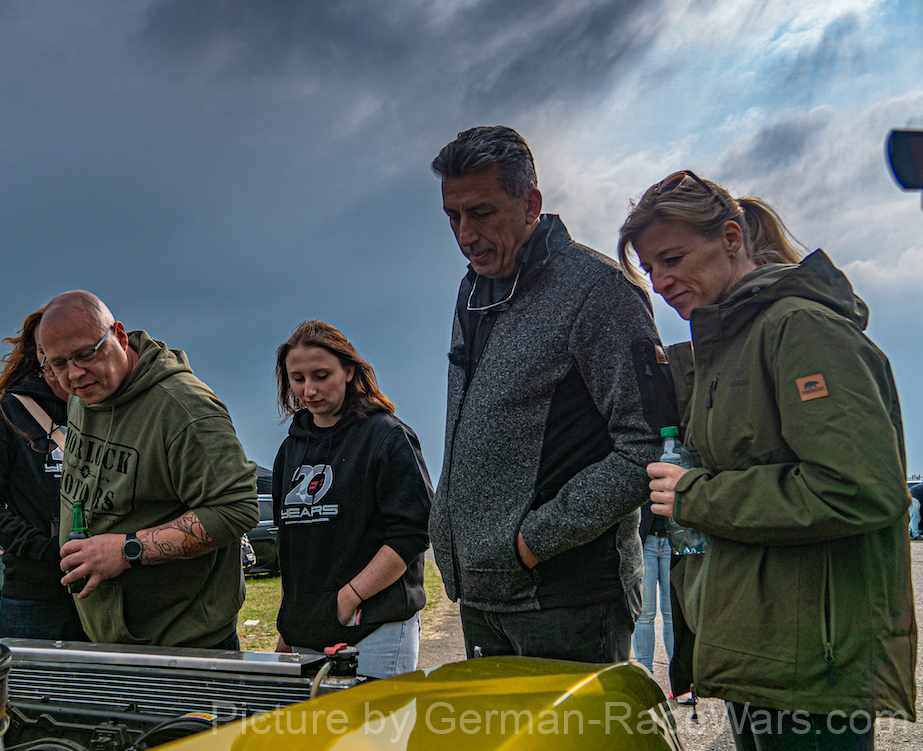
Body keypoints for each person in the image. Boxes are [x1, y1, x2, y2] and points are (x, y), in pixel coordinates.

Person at [622, 170, 916, 749]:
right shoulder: (732, 341)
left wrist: (694, 495)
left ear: (731, 238)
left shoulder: (802, 329)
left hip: (810, 667)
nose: (660, 281)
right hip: (762, 653)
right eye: (650, 268)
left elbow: (858, 488)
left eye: (673, 259)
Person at [427, 127, 668, 664]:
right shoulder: (473, 287)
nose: (465, 234)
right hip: (483, 594)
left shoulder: (600, 289)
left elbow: (647, 445)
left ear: (530, 204)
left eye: (481, 212)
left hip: (569, 601)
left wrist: (532, 542)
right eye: (452, 216)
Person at [41, 291, 258, 649]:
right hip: (112, 638)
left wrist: (128, 549)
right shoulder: (85, 394)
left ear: (119, 336)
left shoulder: (184, 408)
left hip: (186, 647)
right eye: (59, 363)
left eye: (86, 354)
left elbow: (236, 509)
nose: (75, 374)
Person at [271, 321, 434, 678]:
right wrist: (288, 624)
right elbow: (290, 544)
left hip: (374, 630)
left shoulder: (387, 436)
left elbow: (412, 534)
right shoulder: (290, 449)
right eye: (298, 379)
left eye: (321, 376)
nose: (309, 390)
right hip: (306, 634)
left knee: (374, 719)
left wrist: (349, 598)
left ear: (348, 371)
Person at [0, 307, 87, 642]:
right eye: (46, 348)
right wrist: (42, 549)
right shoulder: (7, 409)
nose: (57, 358)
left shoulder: (103, 407)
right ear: (35, 352)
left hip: (104, 587)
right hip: (33, 593)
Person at [634, 502, 674, 678]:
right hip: (646, 539)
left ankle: (677, 678)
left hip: (674, 540)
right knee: (645, 614)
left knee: (673, 614)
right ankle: (645, 676)